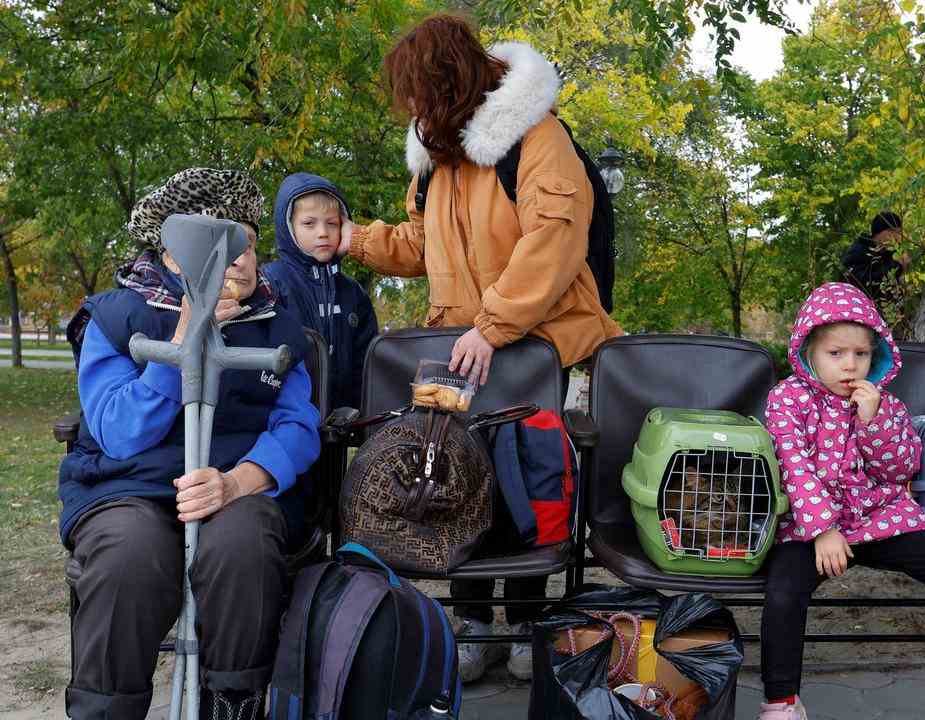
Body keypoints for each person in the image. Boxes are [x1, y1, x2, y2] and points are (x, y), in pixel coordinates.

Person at [336, 15, 623, 683]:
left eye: (416, 91)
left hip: (530, 345)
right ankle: (472, 622)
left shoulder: (536, 137)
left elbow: (551, 243)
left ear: (446, 82)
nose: (409, 107)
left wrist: (493, 325)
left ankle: (524, 621)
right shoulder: (437, 156)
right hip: (463, 348)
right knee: (456, 477)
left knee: (526, 479)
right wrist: (357, 240)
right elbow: (423, 246)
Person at [59, 168, 321, 719]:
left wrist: (239, 482)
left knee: (243, 547)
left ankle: (232, 707)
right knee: (128, 554)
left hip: (234, 486)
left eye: (248, 241)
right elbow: (117, 430)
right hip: (129, 486)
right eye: (223, 243)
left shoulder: (279, 325)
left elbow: (298, 426)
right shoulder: (114, 317)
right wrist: (178, 347)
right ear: (172, 256)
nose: (242, 259)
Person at [757, 282, 925, 720]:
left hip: (879, 519)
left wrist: (874, 420)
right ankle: (782, 701)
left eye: (860, 354)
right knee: (784, 593)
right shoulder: (789, 399)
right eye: (835, 354)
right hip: (809, 527)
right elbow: (793, 466)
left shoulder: (885, 404)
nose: (849, 365)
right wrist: (823, 530)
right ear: (809, 353)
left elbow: (900, 470)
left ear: (874, 354)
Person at [264, 172, 378, 411]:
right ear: (288, 228)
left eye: (332, 223)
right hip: (283, 415)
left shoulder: (353, 294)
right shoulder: (269, 282)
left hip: (341, 425)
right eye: (309, 223)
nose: (323, 232)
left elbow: (366, 364)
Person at [839, 211, 907, 301]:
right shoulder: (859, 250)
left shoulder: (891, 253)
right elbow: (864, 283)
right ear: (878, 232)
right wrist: (897, 264)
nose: (896, 237)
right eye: (891, 231)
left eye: (898, 232)